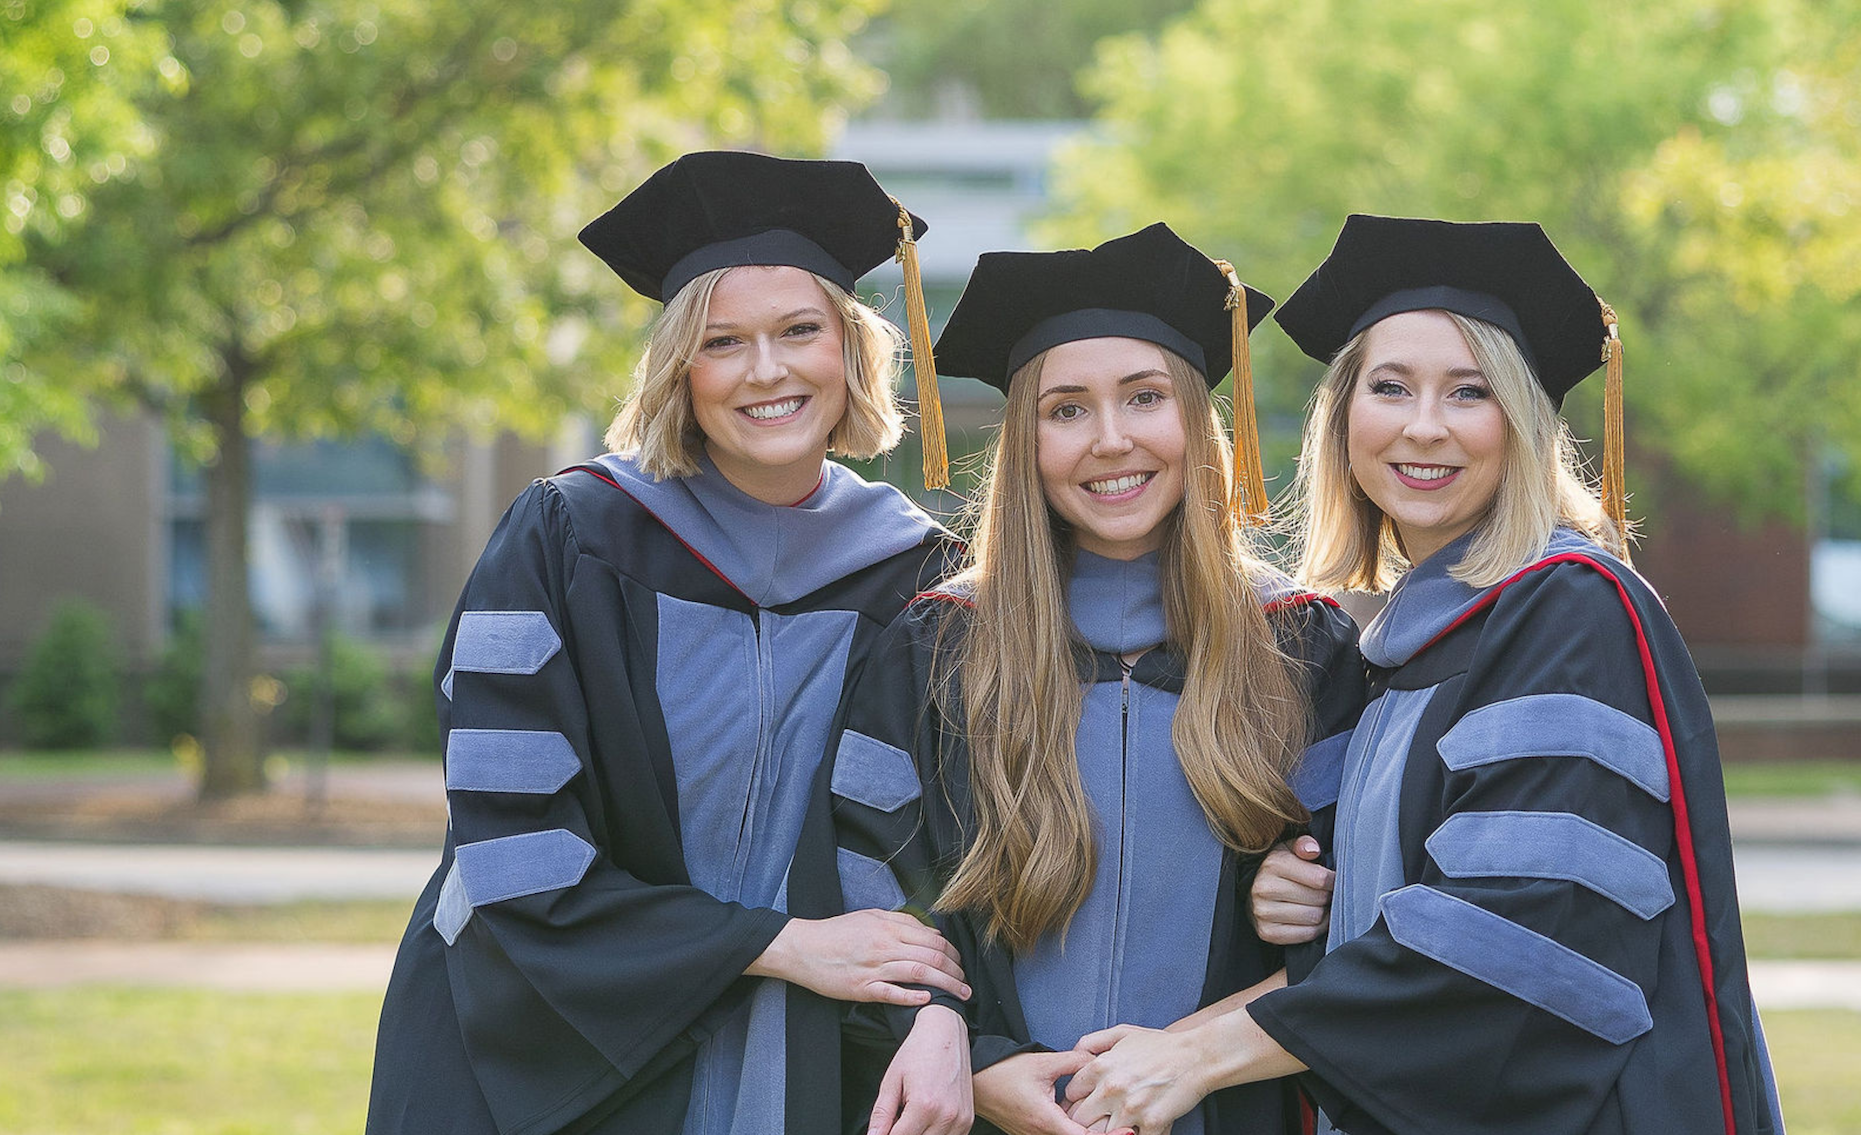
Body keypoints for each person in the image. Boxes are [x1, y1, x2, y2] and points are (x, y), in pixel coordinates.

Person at [1064, 216, 1784, 1135]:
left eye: (1469, 392)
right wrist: (1302, 894)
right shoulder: (1406, 638)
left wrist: (1195, 1056)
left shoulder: (1568, 609)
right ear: (1344, 420)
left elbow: (1514, 940)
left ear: (1520, 422)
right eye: (1391, 388)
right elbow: (1401, 910)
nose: (1424, 426)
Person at [367, 151, 974, 1135]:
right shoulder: (568, 537)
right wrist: (777, 946)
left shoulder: (918, 575)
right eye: (723, 341)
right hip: (543, 1040)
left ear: (851, 351)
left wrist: (939, 1007)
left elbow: (942, 843)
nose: (767, 370)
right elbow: (513, 848)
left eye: (799, 331)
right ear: (678, 368)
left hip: (809, 1051)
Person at [830, 224, 1366, 1135]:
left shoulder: (1300, 646)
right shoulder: (941, 644)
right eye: (1066, 409)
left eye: (1144, 397)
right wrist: (971, 1052)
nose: (1110, 440)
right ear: (1026, 443)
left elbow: (1367, 908)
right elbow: (866, 875)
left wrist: (1307, 894)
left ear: (1197, 420)